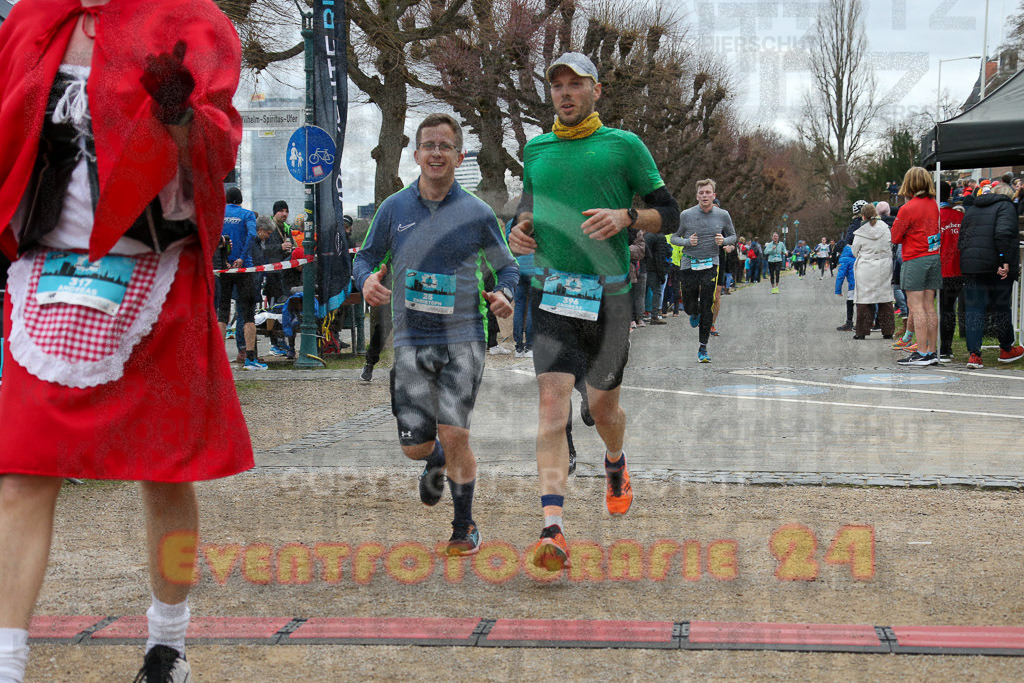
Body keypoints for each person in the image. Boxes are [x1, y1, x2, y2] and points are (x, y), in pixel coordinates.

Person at [0, 1, 253, 680]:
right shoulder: (32, 20)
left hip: (155, 271)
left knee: (165, 470)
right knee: (21, 471)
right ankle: (6, 661)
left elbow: (216, 150)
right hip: (49, 274)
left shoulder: (193, 20)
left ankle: (166, 645)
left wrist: (177, 113)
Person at [508, 52, 679, 571]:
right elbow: (528, 208)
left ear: (595, 90)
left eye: (575, 84)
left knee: (603, 409)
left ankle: (614, 460)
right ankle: (552, 528)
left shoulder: (623, 146)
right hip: (553, 295)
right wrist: (519, 228)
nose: (565, 93)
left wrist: (628, 216)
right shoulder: (535, 151)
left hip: (609, 298)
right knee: (551, 407)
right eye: (557, 84)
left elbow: (667, 213)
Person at [353, 113, 518, 557]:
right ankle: (433, 460)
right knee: (416, 447)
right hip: (410, 339)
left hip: (464, 335)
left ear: (458, 156)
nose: (437, 153)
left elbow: (508, 267)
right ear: (416, 154)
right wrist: (365, 281)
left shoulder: (477, 213)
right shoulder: (394, 209)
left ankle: (463, 527)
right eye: (429, 145)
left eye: (445, 146)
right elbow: (364, 258)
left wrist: (503, 293)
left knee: (455, 432)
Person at [957, 183, 1024, 368]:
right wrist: (1003, 260)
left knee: (973, 309)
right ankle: (1006, 348)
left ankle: (974, 354)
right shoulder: (1006, 207)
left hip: (971, 264)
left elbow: (963, 236)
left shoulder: (972, 208)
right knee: (1001, 306)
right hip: (995, 264)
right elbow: (1004, 233)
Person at [671, 178, 736, 361]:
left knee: (708, 304)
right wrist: (686, 242)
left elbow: (733, 236)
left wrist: (723, 241)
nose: (705, 196)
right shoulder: (686, 215)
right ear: (697, 196)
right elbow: (673, 238)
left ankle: (703, 348)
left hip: (711, 263)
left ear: (713, 195)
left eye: (708, 192)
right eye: (701, 193)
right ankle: (694, 312)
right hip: (689, 263)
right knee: (690, 307)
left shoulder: (723, 215)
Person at [891, 167, 941, 366]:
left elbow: (895, 236)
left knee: (916, 306)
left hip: (915, 257)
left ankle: (920, 352)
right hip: (933, 256)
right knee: (930, 306)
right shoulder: (933, 205)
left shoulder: (908, 208)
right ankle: (931, 351)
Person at [217, 187, 266, 369]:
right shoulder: (247, 215)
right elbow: (252, 234)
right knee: (248, 315)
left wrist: (224, 259)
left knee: (222, 313)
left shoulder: (219, 214)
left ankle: (219, 360)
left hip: (224, 268)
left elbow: (213, 236)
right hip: (244, 268)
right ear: (241, 200)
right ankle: (250, 358)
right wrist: (242, 258)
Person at [850, 204, 895, 339]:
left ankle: (862, 331)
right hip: (884, 265)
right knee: (885, 298)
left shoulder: (861, 232)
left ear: (863, 216)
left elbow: (855, 250)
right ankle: (887, 331)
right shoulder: (886, 229)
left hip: (866, 267)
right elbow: (891, 244)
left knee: (864, 299)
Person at [937, 182, 965, 363]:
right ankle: (948, 348)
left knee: (945, 310)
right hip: (960, 268)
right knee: (952, 310)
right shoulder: (961, 216)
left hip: (943, 269)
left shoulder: (936, 217)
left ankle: (945, 348)